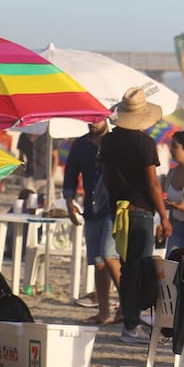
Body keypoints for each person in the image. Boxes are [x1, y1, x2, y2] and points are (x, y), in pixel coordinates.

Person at [101, 88, 171, 344]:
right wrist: (164, 216)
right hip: (140, 212)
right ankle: (131, 323)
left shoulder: (109, 141)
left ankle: (130, 319)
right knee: (138, 270)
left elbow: (107, 178)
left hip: (118, 212)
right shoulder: (144, 143)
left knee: (128, 268)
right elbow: (153, 184)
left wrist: (115, 202)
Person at [62, 119, 121, 325]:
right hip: (91, 208)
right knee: (97, 262)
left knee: (109, 255)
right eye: (89, 120)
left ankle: (127, 306)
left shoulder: (116, 142)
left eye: (96, 119)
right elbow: (70, 174)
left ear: (105, 118)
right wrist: (69, 202)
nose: (93, 123)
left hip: (114, 208)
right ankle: (104, 311)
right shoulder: (80, 145)